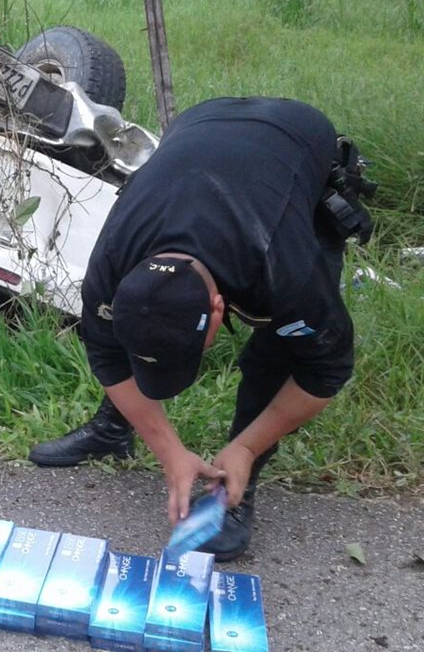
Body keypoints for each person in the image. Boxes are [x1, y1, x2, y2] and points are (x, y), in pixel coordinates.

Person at [27, 97, 373, 561]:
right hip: (200, 125)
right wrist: (170, 452)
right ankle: (114, 429)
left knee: (276, 351)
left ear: (219, 308)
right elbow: (109, 356)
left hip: (294, 140)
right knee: (140, 323)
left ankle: (239, 483)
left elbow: (326, 371)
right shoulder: (111, 264)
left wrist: (248, 446)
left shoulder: (285, 269)